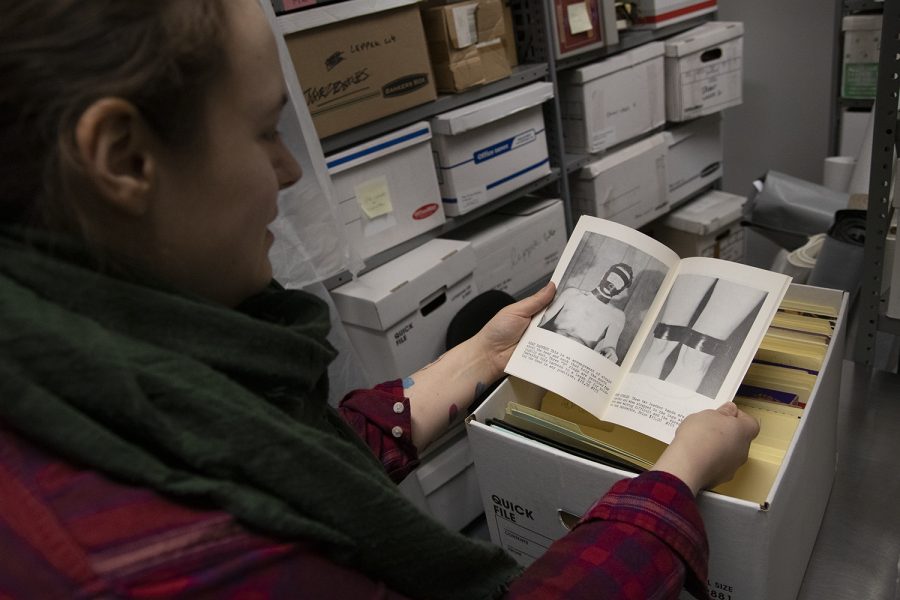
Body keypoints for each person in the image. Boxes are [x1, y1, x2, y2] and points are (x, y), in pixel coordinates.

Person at [0, 2, 760, 599]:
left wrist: (480, 355)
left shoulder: (107, 370)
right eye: (265, 131)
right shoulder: (150, 561)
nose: (290, 172)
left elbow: (289, 465)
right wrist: (675, 479)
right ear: (124, 159)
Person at [540, 262, 633, 362]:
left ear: (621, 290)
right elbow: (544, 318)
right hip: (549, 346)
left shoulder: (616, 315)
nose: (613, 284)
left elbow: (610, 347)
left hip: (576, 359)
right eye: (613, 277)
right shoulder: (571, 293)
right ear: (604, 275)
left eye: (619, 282)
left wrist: (610, 353)